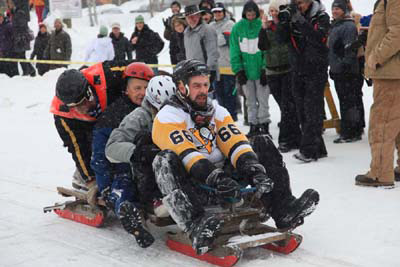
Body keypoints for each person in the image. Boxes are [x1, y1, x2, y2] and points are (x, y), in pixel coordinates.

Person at [151, 59, 320, 255]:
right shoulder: (167, 117)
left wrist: (255, 170)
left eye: (205, 85)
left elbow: (235, 143)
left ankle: (283, 208)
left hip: (224, 181)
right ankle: (195, 225)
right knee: (164, 160)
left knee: (261, 141)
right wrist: (218, 179)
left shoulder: (217, 111)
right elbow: (187, 154)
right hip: (194, 184)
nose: (203, 90)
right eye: (196, 86)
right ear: (181, 87)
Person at [91, 65, 164, 248]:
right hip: (119, 169)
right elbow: (100, 155)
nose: (142, 93)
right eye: (137, 88)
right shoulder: (114, 114)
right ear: (126, 89)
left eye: (146, 88)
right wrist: (104, 186)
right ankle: (130, 215)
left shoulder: (155, 110)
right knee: (124, 187)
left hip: (146, 167)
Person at [50, 60, 134, 192]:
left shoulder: (109, 75)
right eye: (73, 106)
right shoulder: (62, 114)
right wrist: (90, 179)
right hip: (93, 131)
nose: (79, 109)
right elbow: (76, 146)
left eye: (81, 103)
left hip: (121, 114)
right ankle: (85, 174)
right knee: (95, 147)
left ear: (88, 92)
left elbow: (137, 71)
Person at [276, 0, 330, 162]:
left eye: (301, 2)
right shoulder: (293, 16)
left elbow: (318, 39)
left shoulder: (322, 17)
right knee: (301, 111)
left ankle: (308, 151)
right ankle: (318, 148)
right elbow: (280, 39)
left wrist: (298, 19)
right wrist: (283, 22)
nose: (299, 6)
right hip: (297, 69)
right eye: (296, 3)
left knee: (312, 110)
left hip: (316, 70)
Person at [355, 0, 400, 187]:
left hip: (391, 73)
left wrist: (375, 58)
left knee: (382, 123)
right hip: (393, 71)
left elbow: (397, 33)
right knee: (395, 122)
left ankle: (380, 173)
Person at [258, 0, 301, 152]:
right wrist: (264, 29)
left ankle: (286, 139)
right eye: (272, 11)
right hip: (272, 72)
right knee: (285, 107)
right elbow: (262, 46)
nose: (274, 14)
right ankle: (295, 136)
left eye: (276, 10)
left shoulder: (285, 25)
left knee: (288, 106)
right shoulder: (266, 28)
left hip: (287, 70)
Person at [230, 1, 271, 137]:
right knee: (250, 102)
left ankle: (264, 125)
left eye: (253, 14)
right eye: (249, 14)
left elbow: (266, 50)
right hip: (246, 73)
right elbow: (234, 51)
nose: (251, 16)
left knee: (263, 100)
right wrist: (239, 70)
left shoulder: (261, 26)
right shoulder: (237, 28)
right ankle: (253, 125)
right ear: (244, 13)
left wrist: (265, 68)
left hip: (260, 71)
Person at [328, 0, 364, 143]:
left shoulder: (348, 26)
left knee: (349, 101)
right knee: (346, 100)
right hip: (338, 69)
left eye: (338, 9)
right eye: (333, 9)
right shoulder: (336, 25)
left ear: (344, 10)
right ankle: (352, 128)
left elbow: (350, 49)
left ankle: (352, 131)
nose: (335, 11)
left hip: (348, 71)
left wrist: (344, 66)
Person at [210, 2, 237, 121]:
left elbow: (224, 40)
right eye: (215, 12)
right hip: (216, 67)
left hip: (228, 66)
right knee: (219, 96)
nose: (217, 14)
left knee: (230, 95)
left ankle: (232, 119)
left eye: (219, 11)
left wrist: (213, 39)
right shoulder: (210, 26)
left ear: (224, 12)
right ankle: (222, 120)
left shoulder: (230, 24)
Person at [183, 5, 218, 90]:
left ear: (199, 16)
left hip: (205, 73)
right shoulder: (186, 33)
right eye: (189, 17)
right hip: (192, 73)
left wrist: (210, 72)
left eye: (194, 16)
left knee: (211, 100)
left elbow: (212, 52)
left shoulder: (207, 30)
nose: (191, 20)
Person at [12, 7, 36, 76]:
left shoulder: (19, 13)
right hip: (20, 39)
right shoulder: (15, 13)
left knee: (21, 57)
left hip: (22, 40)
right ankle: (30, 70)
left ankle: (27, 71)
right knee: (21, 57)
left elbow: (22, 26)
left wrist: (18, 37)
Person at [0, 12, 18, 77]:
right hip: (2, 51)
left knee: (12, 66)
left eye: (0, 18)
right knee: (4, 67)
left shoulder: (8, 25)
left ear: (3, 17)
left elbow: (15, 36)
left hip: (10, 50)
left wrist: (13, 46)